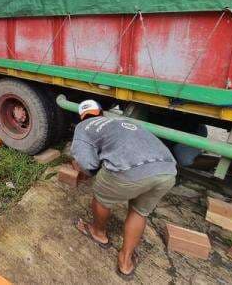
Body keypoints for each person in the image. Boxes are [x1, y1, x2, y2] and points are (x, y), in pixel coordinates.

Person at [70, 100, 177, 279]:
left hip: (127, 170)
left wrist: (85, 170)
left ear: (82, 117)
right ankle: (126, 262)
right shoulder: (121, 122)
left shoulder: (83, 127)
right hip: (167, 170)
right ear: (101, 112)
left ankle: (98, 233)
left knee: (101, 197)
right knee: (139, 211)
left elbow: (88, 164)